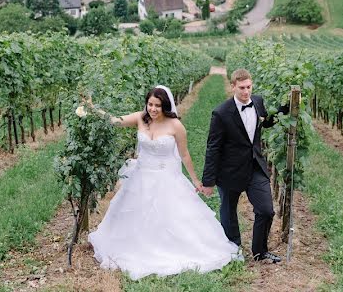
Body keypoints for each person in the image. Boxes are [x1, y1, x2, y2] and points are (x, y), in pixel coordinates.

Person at [82, 85, 241, 280]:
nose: (153, 109)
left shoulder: (175, 126)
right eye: (150, 104)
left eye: (157, 105)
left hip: (166, 178)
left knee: (169, 216)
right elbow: (114, 120)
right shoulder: (140, 118)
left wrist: (195, 179)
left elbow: (184, 154)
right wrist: (91, 108)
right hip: (140, 177)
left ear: (165, 106)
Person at [199, 69, 283, 263]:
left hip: (255, 167)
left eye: (248, 87)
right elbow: (213, 147)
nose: (246, 92)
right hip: (229, 171)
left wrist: (286, 109)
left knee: (266, 210)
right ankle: (233, 250)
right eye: (242, 88)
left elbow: (267, 122)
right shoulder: (221, 113)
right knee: (229, 212)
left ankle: (259, 251)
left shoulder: (258, 102)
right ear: (233, 86)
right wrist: (208, 181)